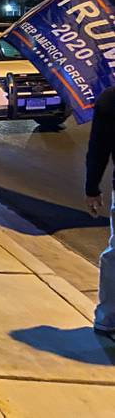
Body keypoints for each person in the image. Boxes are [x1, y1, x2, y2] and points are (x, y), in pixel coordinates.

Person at [85, 86, 115, 340]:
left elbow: (98, 147)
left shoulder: (110, 98)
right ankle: (107, 319)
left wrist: (92, 187)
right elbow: (99, 147)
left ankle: (107, 319)